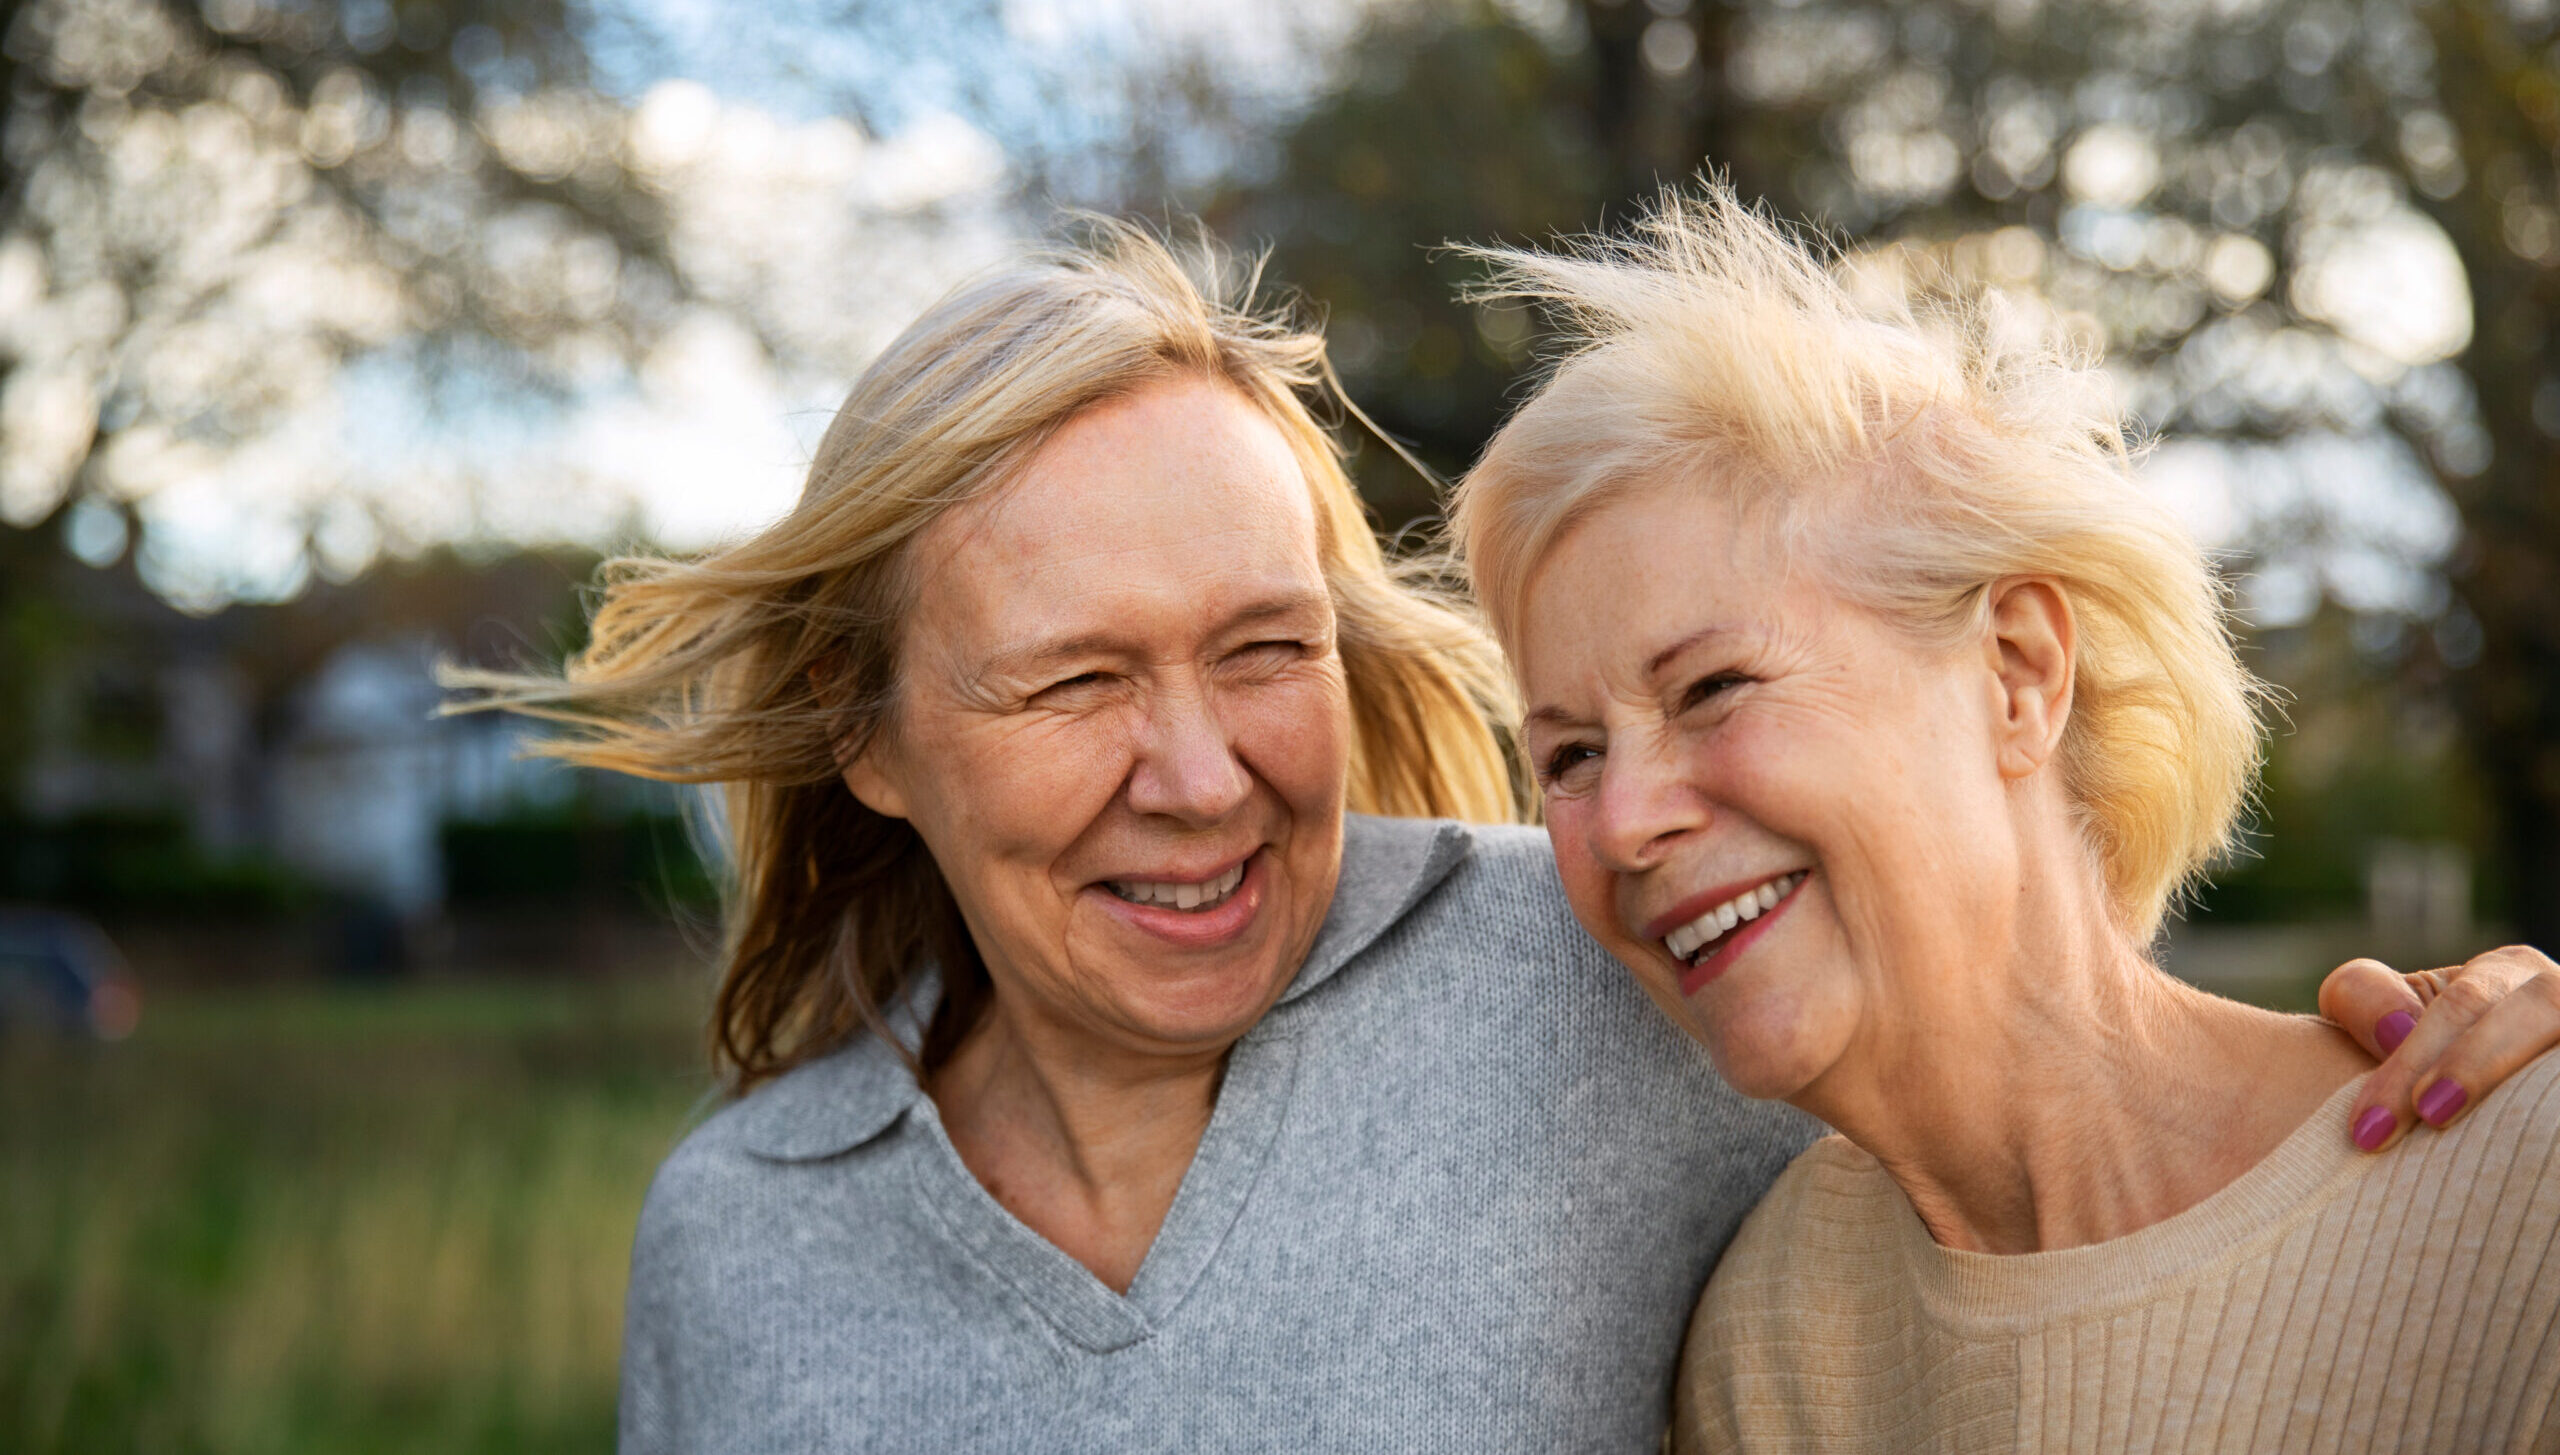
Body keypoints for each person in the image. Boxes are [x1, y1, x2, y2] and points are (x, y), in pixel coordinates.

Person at [453, 218, 2550, 1453]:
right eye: (1075, 680)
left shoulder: (1599, 961)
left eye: (1258, 648)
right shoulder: (740, 1243)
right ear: (872, 735)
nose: (1194, 773)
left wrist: (2480, 1051)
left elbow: (2011, 1025)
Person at [1454, 184, 2560, 1453]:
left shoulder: (2519, 1192)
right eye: (1571, 755)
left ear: (2018, 673)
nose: (1624, 821)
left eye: (1713, 688)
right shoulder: (1769, 1346)